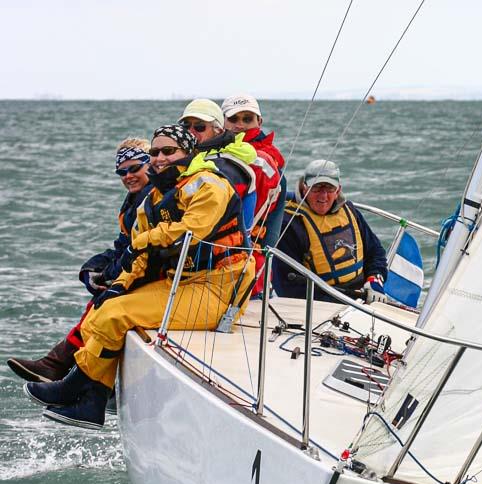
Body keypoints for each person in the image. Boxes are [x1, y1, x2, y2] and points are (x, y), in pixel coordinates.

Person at [22, 125, 256, 430]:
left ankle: (76, 389)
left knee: (116, 316)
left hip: (219, 290)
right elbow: (140, 255)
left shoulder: (209, 185)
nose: (160, 158)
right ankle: (91, 400)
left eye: (168, 151)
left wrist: (143, 241)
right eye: (155, 152)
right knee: (103, 312)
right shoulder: (155, 198)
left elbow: (190, 232)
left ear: (187, 152)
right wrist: (119, 285)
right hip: (182, 283)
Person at [7, 138, 153, 383]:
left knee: (103, 303)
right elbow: (122, 246)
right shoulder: (134, 200)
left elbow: (140, 252)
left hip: (154, 275)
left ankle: (64, 369)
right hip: (137, 269)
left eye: (134, 168)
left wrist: (108, 276)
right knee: (101, 298)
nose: (128, 176)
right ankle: (66, 368)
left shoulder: (149, 199)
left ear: (151, 165)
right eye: (122, 171)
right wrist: (92, 268)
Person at [272, 159, 387, 302]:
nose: (323, 196)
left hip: (362, 297)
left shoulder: (350, 211)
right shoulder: (290, 224)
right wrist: (341, 302)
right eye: (317, 188)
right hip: (315, 307)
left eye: (330, 189)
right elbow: (287, 286)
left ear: (338, 190)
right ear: (304, 187)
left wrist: (375, 280)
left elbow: (376, 252)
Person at [221, 94, 286, 296]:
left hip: (246, 254)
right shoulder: (215, 153)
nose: (240, 125)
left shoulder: (266, 160)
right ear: (222, 121)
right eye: (233, 119)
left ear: (259, 121)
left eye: (247, 119)